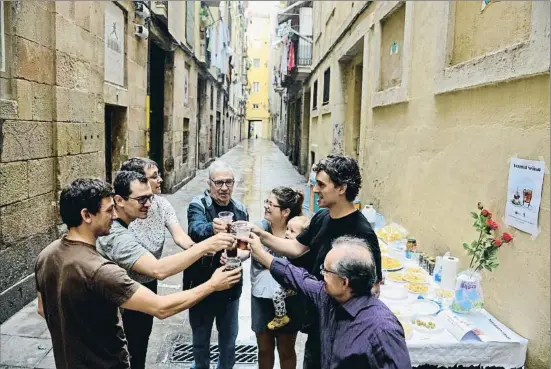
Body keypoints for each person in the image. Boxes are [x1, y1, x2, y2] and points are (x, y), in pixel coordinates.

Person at [34, 178, 242, 369]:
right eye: (108, 211)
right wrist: (213, 284)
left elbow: (43, 309)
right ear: (86, 215)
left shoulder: (46, 254)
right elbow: (161, 308)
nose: (115, 215)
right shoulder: (100, 270)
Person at [251, 155, 382, 369]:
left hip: (341, 330)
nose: (314, 189)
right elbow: (296, 248)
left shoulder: (362, 233)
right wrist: (261, 235)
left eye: (321, 184)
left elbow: (373, 290)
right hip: (316, 321)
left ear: (341, 188)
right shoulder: (322, 217)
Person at [97, 171, 236, 369]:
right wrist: (207, 251)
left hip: (125, 302)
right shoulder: (115, 236)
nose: (149, 203)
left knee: (137, 351)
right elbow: (158, 271)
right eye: (142, 199)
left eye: (150, 197)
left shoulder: (130, 221)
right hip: (110, 317)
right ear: (119, 200)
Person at [245, 234, 411, 369]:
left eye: (326, 271)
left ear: (345, 282)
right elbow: (297, 278)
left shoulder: (382, 329)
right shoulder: (329, 297)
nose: (321, 275)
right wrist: (262, 254)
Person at [185, 161, 251, 369]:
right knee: (200, 340)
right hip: (201, 284)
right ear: (210, 183)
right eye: (219, 183)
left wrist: (238, 256)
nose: (224, 188)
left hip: (230, 284)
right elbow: (195, 229)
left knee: (229, 342)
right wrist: (212, 228)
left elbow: (244, 246)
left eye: (228, 182)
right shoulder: (199, 205)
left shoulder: (240, 210)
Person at [251, 188, 305, 369]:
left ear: (285, 212)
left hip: (289, 301)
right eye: (266, 202)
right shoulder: (259, 228)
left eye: (271, 204)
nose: (266, 206)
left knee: (286, 349)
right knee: (264, 350)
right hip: (261, 298)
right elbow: (244, 249)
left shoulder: (296, 233)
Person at [268, 215, 310, 330]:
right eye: (287, 229)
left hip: (294, 282)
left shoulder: (302, 251)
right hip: (289, 279)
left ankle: (281, 316)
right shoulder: (288, 245)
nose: (287, 233)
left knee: (277, 295)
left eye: (292, 231)